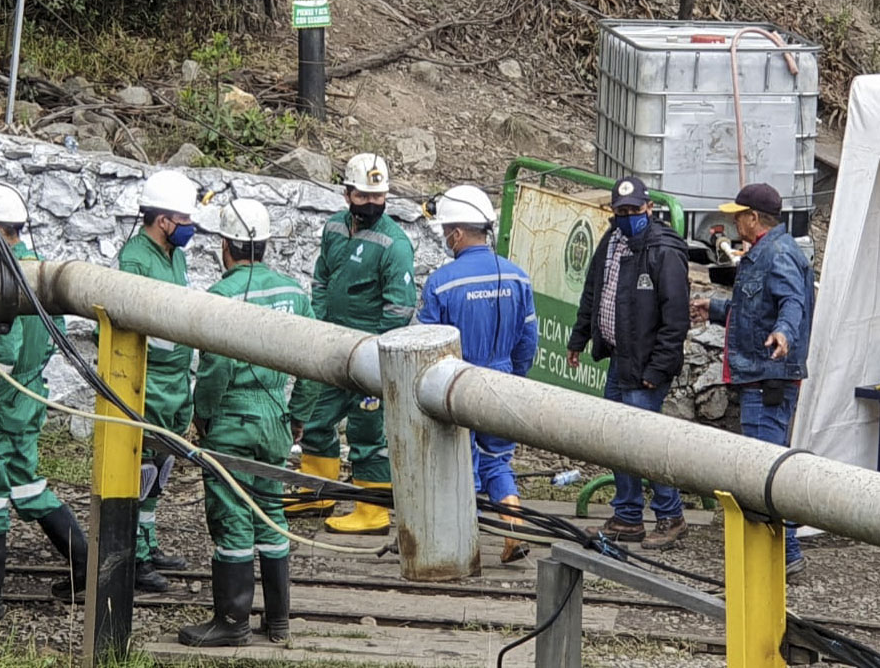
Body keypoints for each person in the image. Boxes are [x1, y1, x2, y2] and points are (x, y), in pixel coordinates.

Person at [178, 199, 320, 647]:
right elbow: (315, 362)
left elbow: (215, 370)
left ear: (226, 246)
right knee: (270, 511)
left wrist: (203, 415)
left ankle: (232, 622)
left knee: (233, 514)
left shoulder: (221, 297)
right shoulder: (295, 294)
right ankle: (278, 620)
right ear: (266, 245)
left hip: (233, 420)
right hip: (275, 417)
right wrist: (298, 416)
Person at [0, 182, 87, 618]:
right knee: (26, 485)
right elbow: (57, 336)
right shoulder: (40, 270)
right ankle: (85, 564)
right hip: (26, 401)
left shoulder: (5, 280)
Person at [285, 153, 417, 535]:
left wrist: (373, 350)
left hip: (368, 356)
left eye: (379, 196)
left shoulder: (395, 245)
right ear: (347, 194)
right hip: (332, 348)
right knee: (317, 419)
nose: (372, 203)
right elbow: (321, 278)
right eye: (364, 196)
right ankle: (317, 493)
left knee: (367, 432)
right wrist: (321, 325)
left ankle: (372, 511)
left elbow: (400, 307)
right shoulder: (333, 229)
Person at [691, 182, 814, 575]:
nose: (733, 223)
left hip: (768, 378)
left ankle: (784, 556)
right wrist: (714, 309)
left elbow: (792, 302)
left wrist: (784, 334)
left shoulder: (776, 255)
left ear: (754, 218)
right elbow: (754, 311)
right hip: (763, 376)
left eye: (738, 216)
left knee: (765, 469)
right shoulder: (767, 252)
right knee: (768, 465)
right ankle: (782, 554)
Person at [566, 176, 691, 550]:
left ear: (649, 208)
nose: (627, 217)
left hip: (646, 367)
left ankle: (670, 515)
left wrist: (657, 370)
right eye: (621, 211)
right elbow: (593, 292)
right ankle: (628, 516)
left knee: (645, 444)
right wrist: (579, 338)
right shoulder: (611, 241)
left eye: (634, 210)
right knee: (617, 440)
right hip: (620, 360)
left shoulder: (664, 251)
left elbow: (676, 318)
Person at [416, 185, 538, 563]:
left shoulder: (442, 283)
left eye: (445, 232)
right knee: (497, 461)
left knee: (460, 464)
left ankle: (461, 547)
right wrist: (513, 376)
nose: (445, 239)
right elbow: (528, 340)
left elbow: (425, 345)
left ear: (456, 233)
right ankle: (513, 527)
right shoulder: (518, 278)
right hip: (503, 381)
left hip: (457, 384)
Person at [117, 170, 199, 592]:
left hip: (173, 382)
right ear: (163, 220)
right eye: (183, 220)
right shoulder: (135, 259)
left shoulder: (174, 256)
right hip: (148, 381)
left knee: (161, 467)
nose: (189, 227)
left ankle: (147, 542)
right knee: (141, 467)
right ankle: (133, 556)